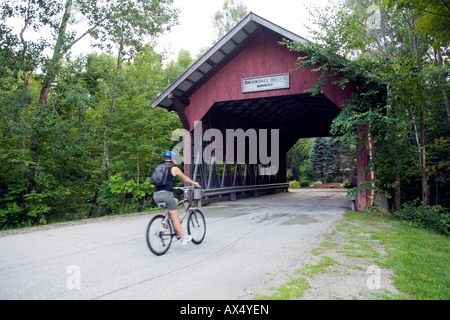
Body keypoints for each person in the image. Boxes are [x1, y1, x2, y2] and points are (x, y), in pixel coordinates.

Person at [152, 151, 201, 245]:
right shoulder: (174, 169)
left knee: (176, 201)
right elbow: (185, 178)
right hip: (166, 195)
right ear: (173, 159)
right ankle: (182, 238)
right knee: (175, 218)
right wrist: (194, 183)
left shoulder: (160, 167)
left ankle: (166, 219)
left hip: (156, 195)